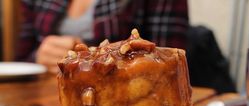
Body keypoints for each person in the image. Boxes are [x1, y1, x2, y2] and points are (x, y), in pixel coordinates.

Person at [16, 0, 189, 74]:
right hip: (45, 101)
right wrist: (39, 57)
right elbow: (20, 61)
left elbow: (168, 66)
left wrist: (92, 59)